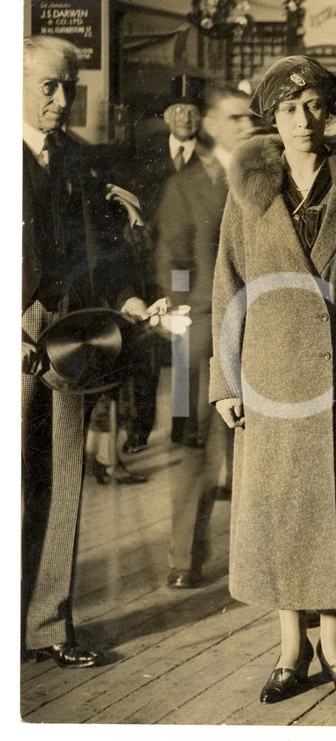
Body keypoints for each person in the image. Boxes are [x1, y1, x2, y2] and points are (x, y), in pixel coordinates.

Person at [209, 56, 336, 704]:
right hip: (273, 376)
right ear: (271, 117)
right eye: (288, 109)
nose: (302, 120)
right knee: (283, 512)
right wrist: (225, 384)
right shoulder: (249, 189)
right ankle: (290, 650)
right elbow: (227, 286)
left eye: (313, 105)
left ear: (331, 108)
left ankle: (335, 645)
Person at [22, 35, 154, 668]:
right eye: (49, 85)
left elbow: (107, 252)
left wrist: (129, 300)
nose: (63, 98)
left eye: (69, 85)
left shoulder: (81, 160)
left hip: (70, 345)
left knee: (64, 484)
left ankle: (48, 625)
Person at [155, 85, 257, 589]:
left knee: (253, 446)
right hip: (195, 335)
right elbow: (171, 260)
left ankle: (253, 558)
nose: (247, 125)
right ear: (212, 124)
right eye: (236, 118)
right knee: (190, 444)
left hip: (256, 329)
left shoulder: (266, 180)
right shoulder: (186, 186)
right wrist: (181, 312)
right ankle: (184, 558)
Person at [127, 76, 209, 452]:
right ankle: (140, 427)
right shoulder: (145, 154)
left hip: (185, 268)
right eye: (178, 112)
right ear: (165, 116)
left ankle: (184, 423)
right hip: (147, 265)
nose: (186, 119)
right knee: (144, 348)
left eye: (192, 112)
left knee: (184, 346)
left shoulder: (209, 160)